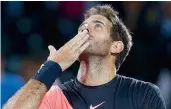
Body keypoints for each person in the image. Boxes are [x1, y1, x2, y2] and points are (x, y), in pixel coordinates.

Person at [3, 4, 166, 109]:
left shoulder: (142, 94)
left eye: (98, 26)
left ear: (116, 46)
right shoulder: (54, 95)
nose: (85, 30)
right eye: (82, 27)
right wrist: (51, 67)